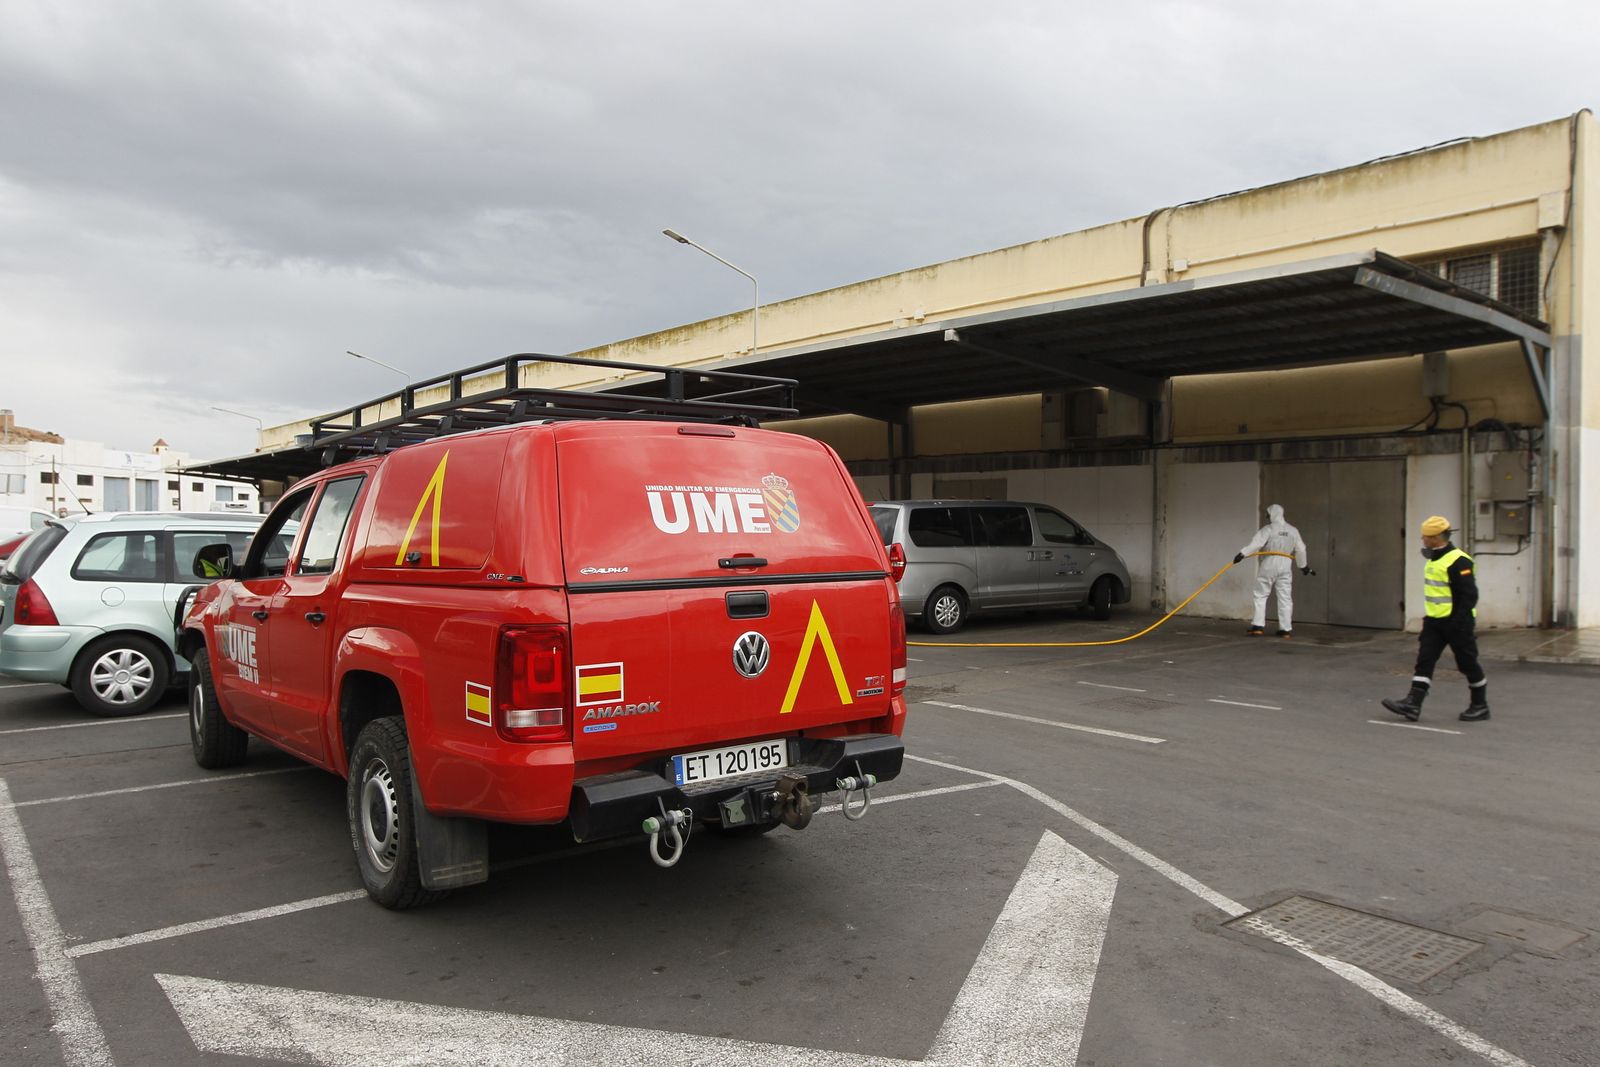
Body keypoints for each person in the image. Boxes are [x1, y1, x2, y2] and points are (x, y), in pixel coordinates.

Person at [1382, 516, 1489, 723]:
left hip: (1457, 623)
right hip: (1434, 622)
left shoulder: (1459, 561)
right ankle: (1413, 704)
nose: (1422, 539)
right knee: (1425, 660)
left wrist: (1457, 623)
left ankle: (1480, 705)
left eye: (1426, 536)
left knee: (1467, 663)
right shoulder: (1435, 559)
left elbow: (1469, 596)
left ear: (1437, 537)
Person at [1234, 503, 1310, 637]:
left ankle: (1258, 626)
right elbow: (1301, 549)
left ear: (1272, 514)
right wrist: (1303, 566)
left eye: (1268, 515)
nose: (1267, 517)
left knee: (1261, 594)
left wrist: (1242, 554)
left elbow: (1257, 543)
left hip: (1270, 562)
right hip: (1286, 563)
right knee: (1285, 597)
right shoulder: (1293, 530)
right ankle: (1285, 629)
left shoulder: (1268, 529)